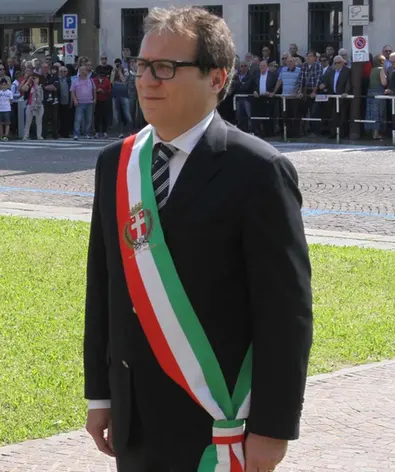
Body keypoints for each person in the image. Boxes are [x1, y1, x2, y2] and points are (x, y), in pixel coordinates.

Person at [84, 7, 312, 472]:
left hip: (220, 420)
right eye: (142, 66)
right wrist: (100, 393)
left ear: (216, 77)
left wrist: (272, 429)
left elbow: (285, 314)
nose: (147, 80)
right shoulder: (116, 164)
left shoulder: (259, 171)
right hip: (136, 420)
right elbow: (103, 285)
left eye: (166, 68)